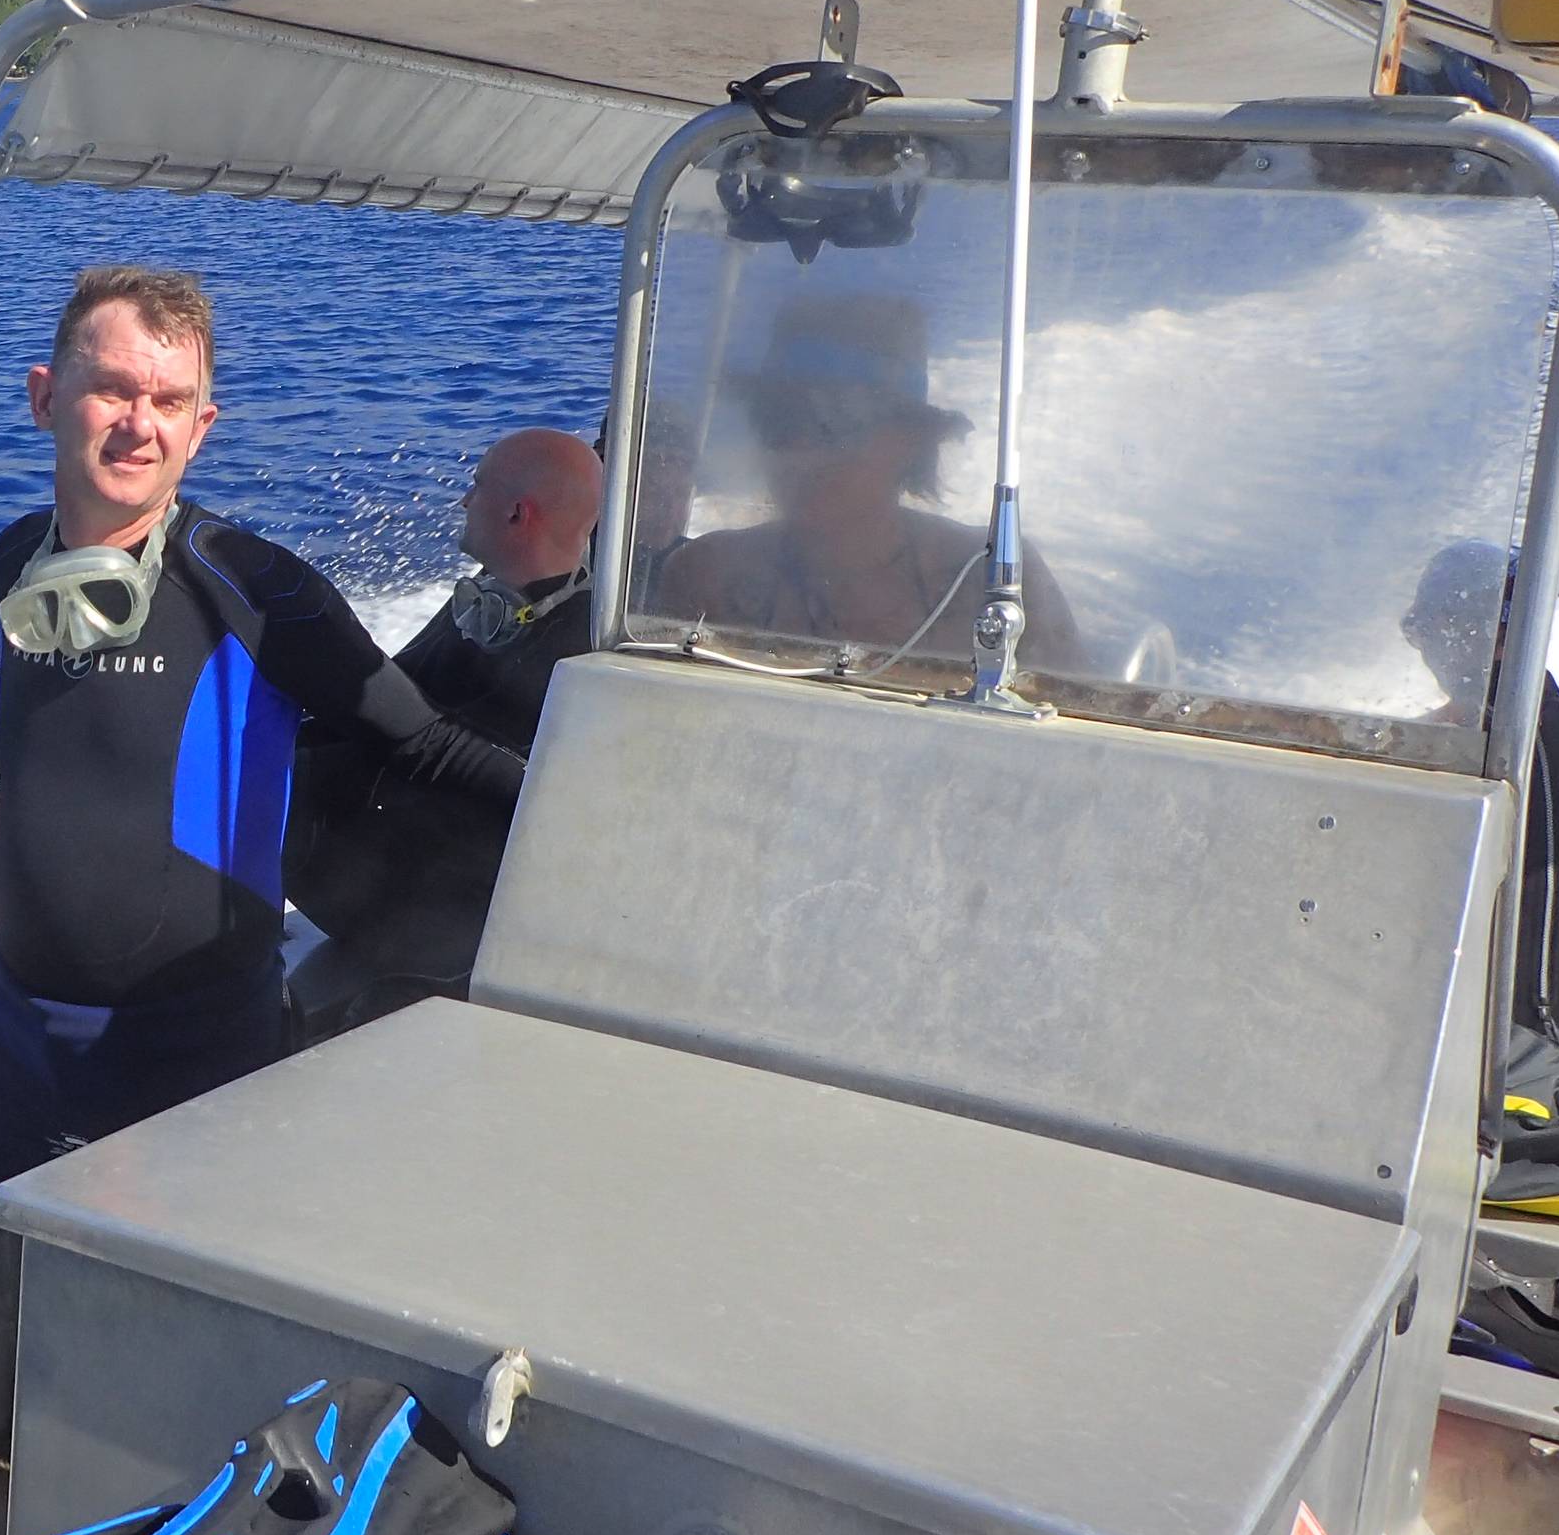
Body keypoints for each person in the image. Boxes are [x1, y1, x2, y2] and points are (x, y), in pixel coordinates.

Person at [0, 266, 524, 1206]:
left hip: (190, 1045)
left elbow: (422, 741)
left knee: (141, 1290)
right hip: (18, 1028)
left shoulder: (256, 589)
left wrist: (575, 815)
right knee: (20, 1274)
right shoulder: (20, 560)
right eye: (113, 390)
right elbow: (50, 706)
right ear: (45, 399)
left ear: (200, 427)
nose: (141, 424)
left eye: (169, 401)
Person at [285, 429, 601, 1039]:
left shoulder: (571, 644)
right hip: (401, 864)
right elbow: (393, 691)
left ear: (517, 513)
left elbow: (492, 776)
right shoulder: (485, 601)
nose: (464, 501)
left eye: (477, 487)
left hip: (436, 910)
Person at [648, 291, 1079, 671]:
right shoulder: (705, 577)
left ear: (909, 441)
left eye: (835, 424)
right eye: (780, 420)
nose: (801, 450)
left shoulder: (999, 581)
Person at [1404, 539, 1559, 1088]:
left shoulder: (1416, 749)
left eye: (1420, 627)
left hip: (1434, 1044)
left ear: (1463, 631)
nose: (1419, 642)